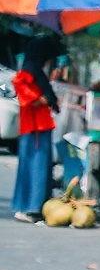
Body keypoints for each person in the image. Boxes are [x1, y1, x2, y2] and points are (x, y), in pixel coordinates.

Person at [10, 44, 57, 222]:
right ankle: (29, 206)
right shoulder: (25, 75)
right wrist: (47, 99)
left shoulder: (33, 72)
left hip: (39, 126)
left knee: (40, 167)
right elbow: (30, 100)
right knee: (35, 167)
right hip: (34, 127)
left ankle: (35, 206)